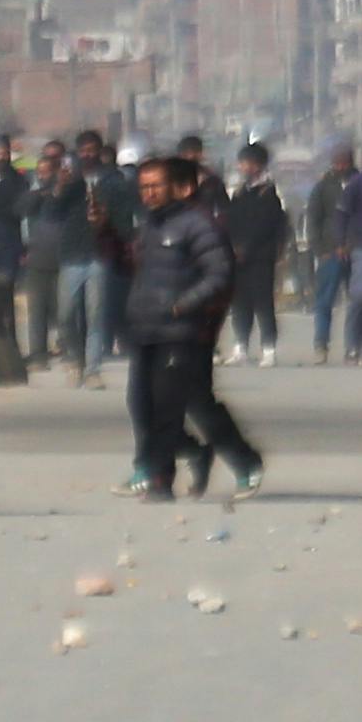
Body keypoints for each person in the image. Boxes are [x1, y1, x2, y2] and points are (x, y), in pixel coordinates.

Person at [122, 147, 260, 497]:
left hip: (185, 332)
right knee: (143, 403)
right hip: (148, 330)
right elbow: (139, 272)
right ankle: (178, 464)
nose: (149, 193)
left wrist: (185, 306)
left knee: (174, 407)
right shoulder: (150, 226)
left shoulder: (199, 225)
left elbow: (219, 274)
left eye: (156, 185)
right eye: (144, 187)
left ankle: (158, 475)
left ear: (178, 188)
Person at [230, 142, 292, 367]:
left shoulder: (270, 194)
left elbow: (268, 226)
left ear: (258, 165)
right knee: (240, 303)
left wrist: (248, 247)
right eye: (242, 162)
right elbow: (230, 222)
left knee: (263, 303)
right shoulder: (238, 193)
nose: (243, 167)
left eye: (247, 163)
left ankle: (269, 348)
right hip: (237, 258)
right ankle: (241, 347)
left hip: (260, 258)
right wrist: (233, 246)